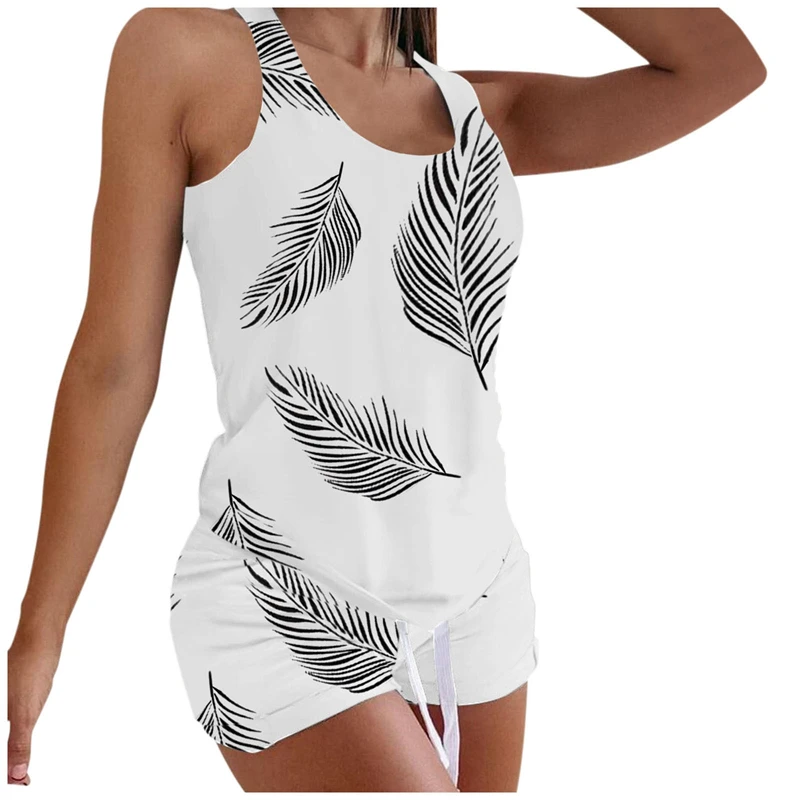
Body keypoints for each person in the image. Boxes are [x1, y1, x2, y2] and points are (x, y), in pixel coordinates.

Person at [7, 6, 765, 793]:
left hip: (475, 602)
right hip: (281, 597)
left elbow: (722, 68)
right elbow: (115, 364)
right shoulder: (189, 57)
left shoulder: (477, 112)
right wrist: (41, 627)